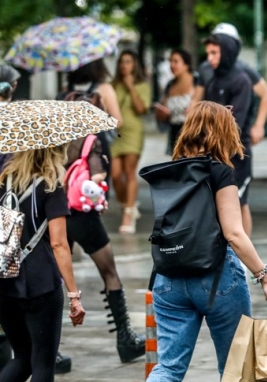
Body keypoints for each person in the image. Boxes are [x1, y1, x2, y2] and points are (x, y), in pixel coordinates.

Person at [147, 101, 267, 381]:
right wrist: (265, 277)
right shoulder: (220, 171)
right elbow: (233, 232)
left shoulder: (169, 172)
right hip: (217, 276)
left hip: (168, 276)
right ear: (223, 132)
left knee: (168, 367)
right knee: (236, 368)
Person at [62, 91, 146, 363]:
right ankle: (125, 339)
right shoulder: (92, 141)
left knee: (51, 280)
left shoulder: (55, 139)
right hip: (84, 217)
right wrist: (98, 190)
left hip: (56, 216)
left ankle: (47, 349)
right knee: (109, 272)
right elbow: (97, 176)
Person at [0, 146, 86, 382]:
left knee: (22, 357)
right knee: (42, 362)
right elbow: (60, 244)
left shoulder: (3, 179)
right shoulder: (50, 187)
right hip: (41, 284)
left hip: (5, 281)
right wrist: (74, 295)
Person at [192, 23, 267, 236]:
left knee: (238, 202)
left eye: (215, 52)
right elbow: (199, 105)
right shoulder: (211, 75)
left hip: (236, 151)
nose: (209, 57)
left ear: (229, 48)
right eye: (208, 52)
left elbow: (262, 99)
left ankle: (244, 257)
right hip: (214, 150)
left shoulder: (242, 77)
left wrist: (259, 125)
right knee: (216, 202)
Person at [110, 50, 151, 234]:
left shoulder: (142, 85)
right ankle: (129, 204)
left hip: (133, 132)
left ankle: (128, 214)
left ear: (135, 64)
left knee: (129, 172)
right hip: (115, 134)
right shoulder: (113, 85)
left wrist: (131, 87)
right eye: (122, 62)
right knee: (115, 175)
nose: (125, 65)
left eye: (128, 61)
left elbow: (142, 109)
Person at [154, 49, 195, 153]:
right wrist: (161, 112)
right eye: (170, 61)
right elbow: (163, 109)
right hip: (175, 132)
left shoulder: (197, 81)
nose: (172, 65)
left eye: (176, 61)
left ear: (186, 64)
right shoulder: (170, 85)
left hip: (193, 132)